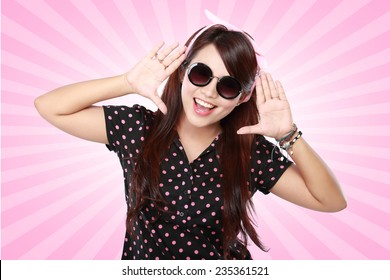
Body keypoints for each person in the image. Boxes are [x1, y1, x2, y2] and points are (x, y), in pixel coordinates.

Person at [34, 22, 346, 260]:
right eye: (201, 74)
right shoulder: (139, 129)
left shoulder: (250, 152)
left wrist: (288, 135)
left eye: (228, 86)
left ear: (243, 97)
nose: (209, 93)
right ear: (183, 72)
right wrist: (127, 82)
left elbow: (330, 201)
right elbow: (50, 107)